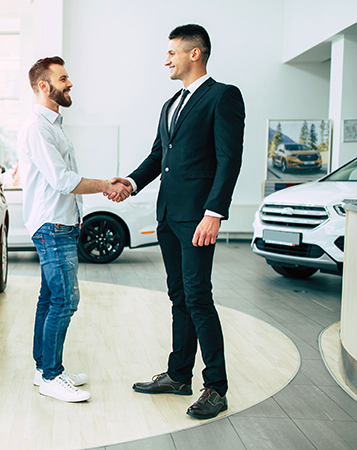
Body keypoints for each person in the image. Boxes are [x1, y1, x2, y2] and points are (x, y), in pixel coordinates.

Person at [112, 24, 245, 419]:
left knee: (198, 297)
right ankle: (178, 375)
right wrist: (131, 182)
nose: (166, 60)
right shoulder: (171, 103)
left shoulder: (223, 96)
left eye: (172, 52)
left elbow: (229, 159)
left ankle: (216, 387)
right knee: (179, 297)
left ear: (194, 54)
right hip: (169, 217)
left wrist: (214, 213)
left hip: (199, 218)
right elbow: (159, 156)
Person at [18, 56, 129, 403]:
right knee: (66, 299)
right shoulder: (38, 128)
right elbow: (61, 180)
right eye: (63, 78)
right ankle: (52, 375)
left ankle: (44, 369)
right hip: (52, 224)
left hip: (59, 221)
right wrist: (106, 186)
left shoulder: (54, 125)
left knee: (49, 299)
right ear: (43, 85)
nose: (70, 84)